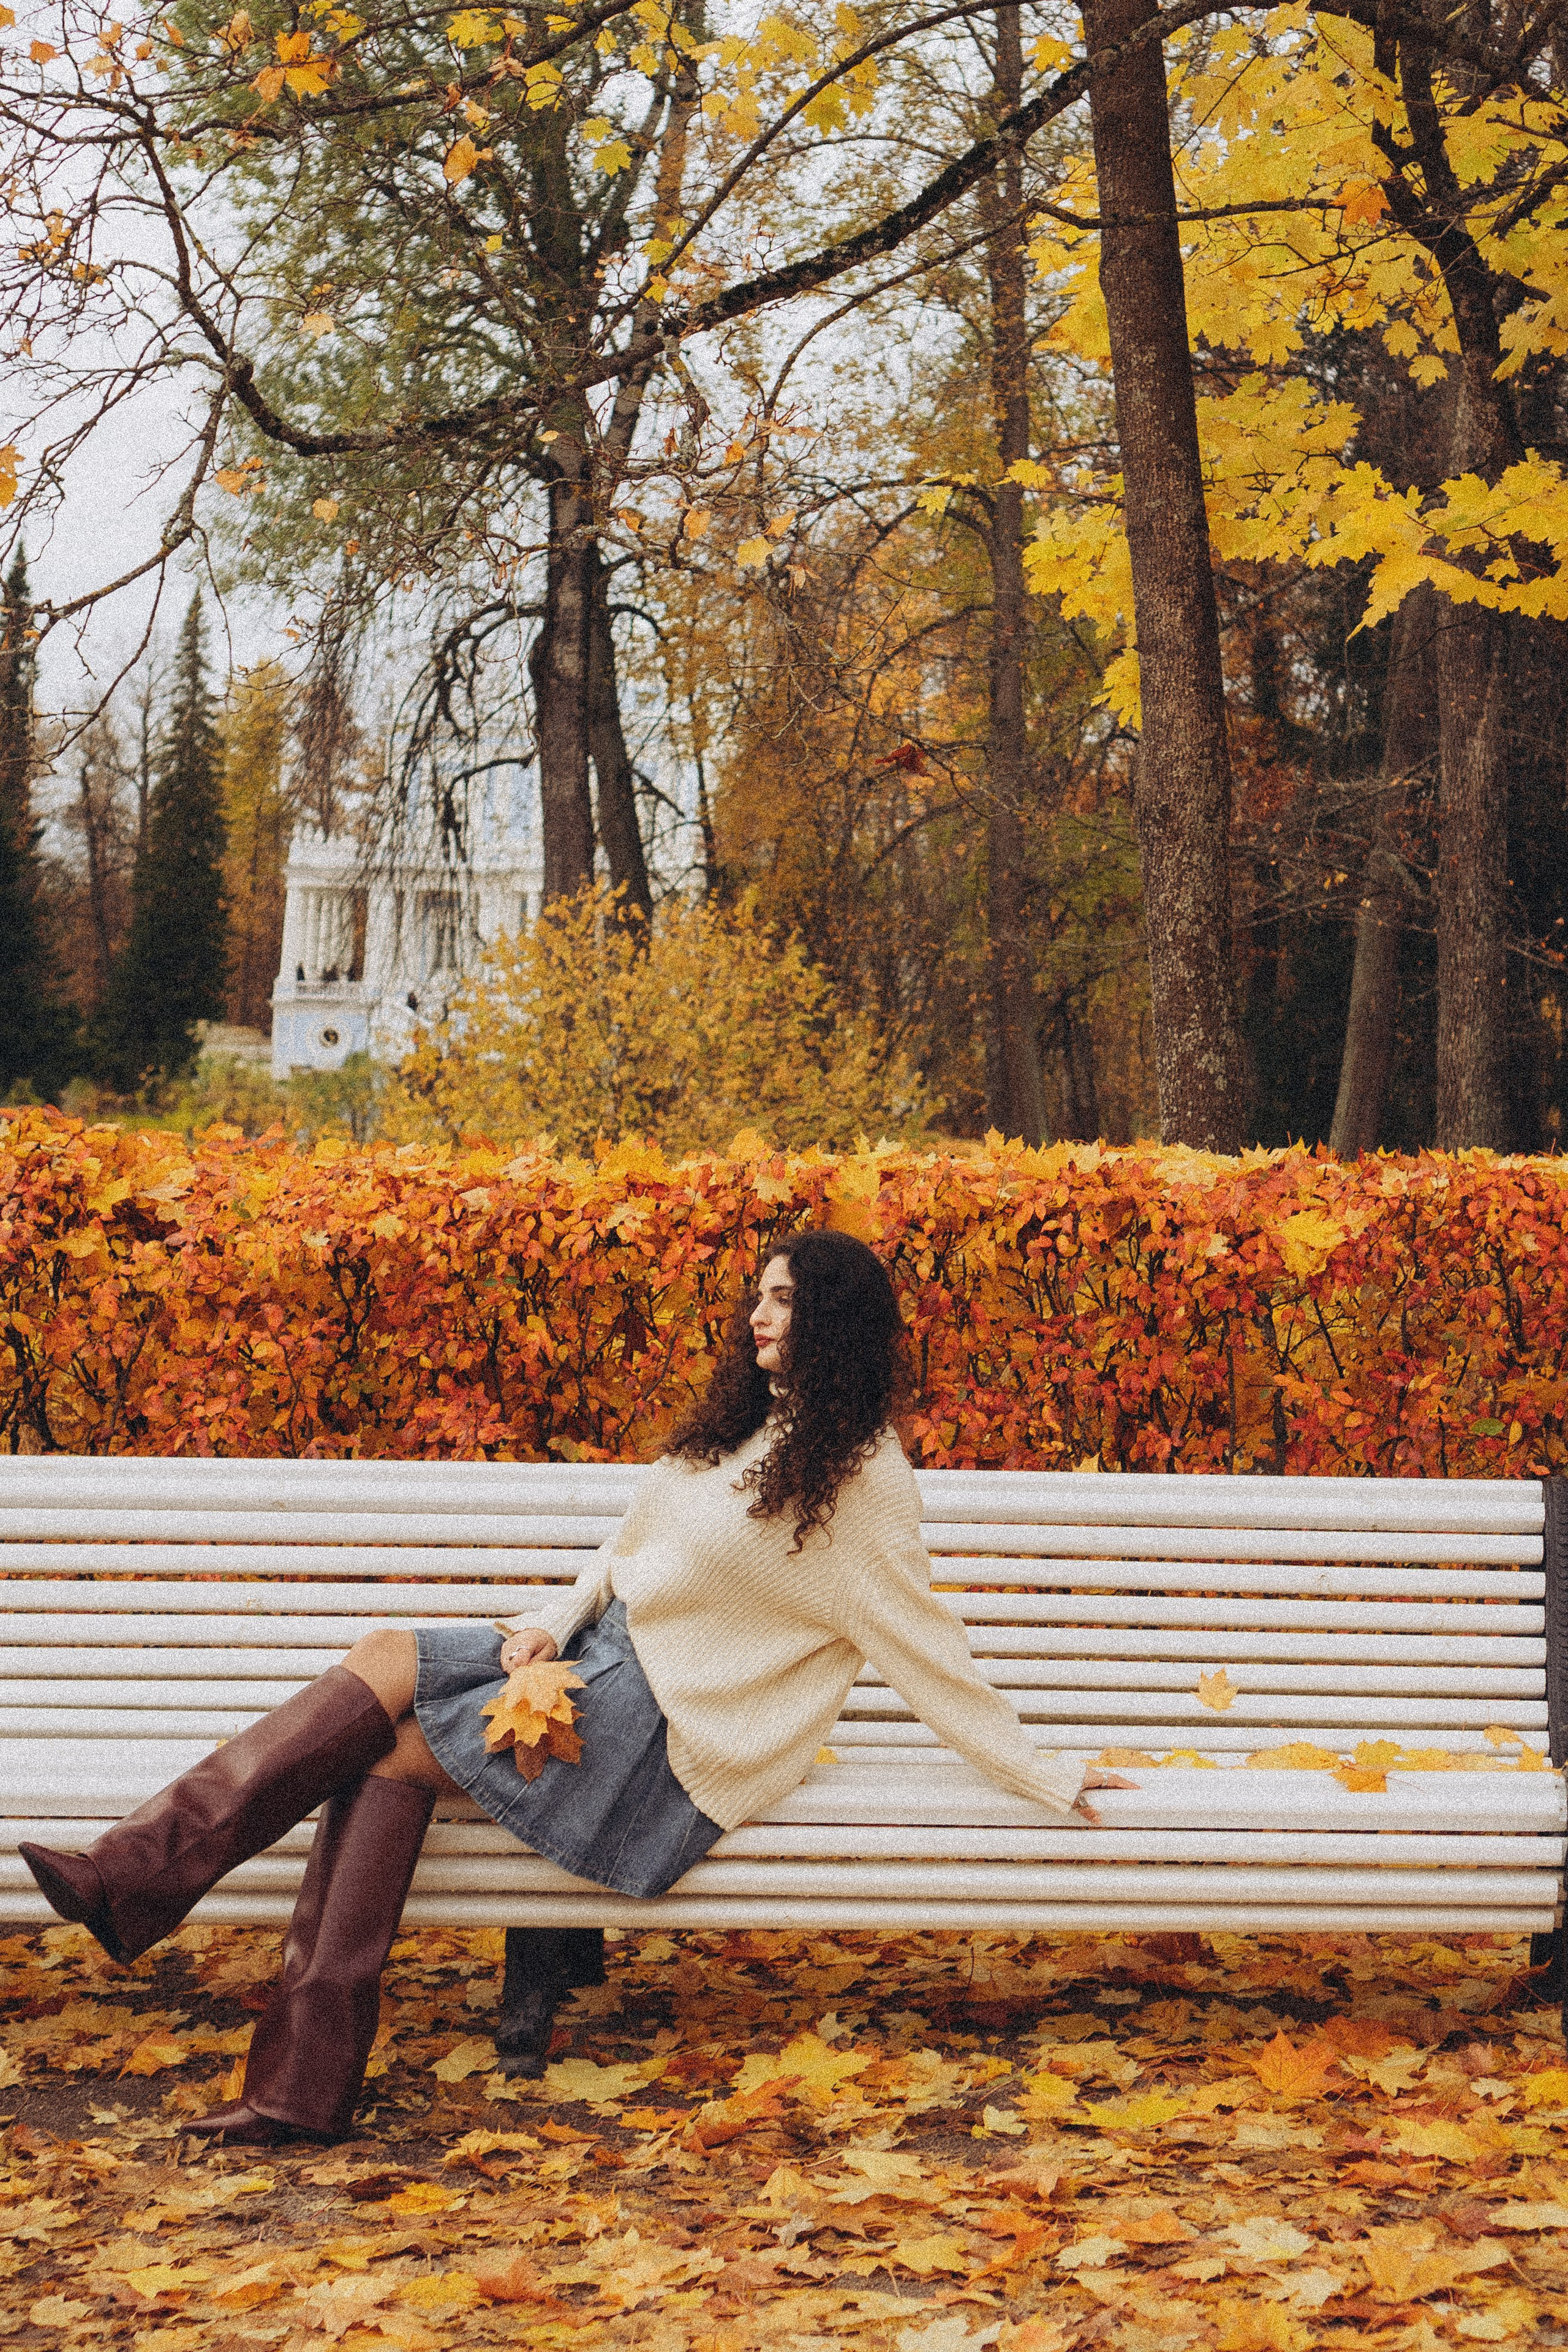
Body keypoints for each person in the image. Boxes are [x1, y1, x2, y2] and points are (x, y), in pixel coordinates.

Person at [20, 1229, 1130, 2145]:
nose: (759, 1317)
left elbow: (924, 1646)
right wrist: (549, 1620)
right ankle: (146, 1890)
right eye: (758, 1298)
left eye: (784, 1302)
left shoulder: (859, 1477)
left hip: (663, 1737)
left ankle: (272, 2059)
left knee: (392, 1753)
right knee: (385, 1652)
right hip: (593, 1663)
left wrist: (1047, 1771)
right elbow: (623, 1554)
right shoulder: (740, 1430)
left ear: (834, 1320)